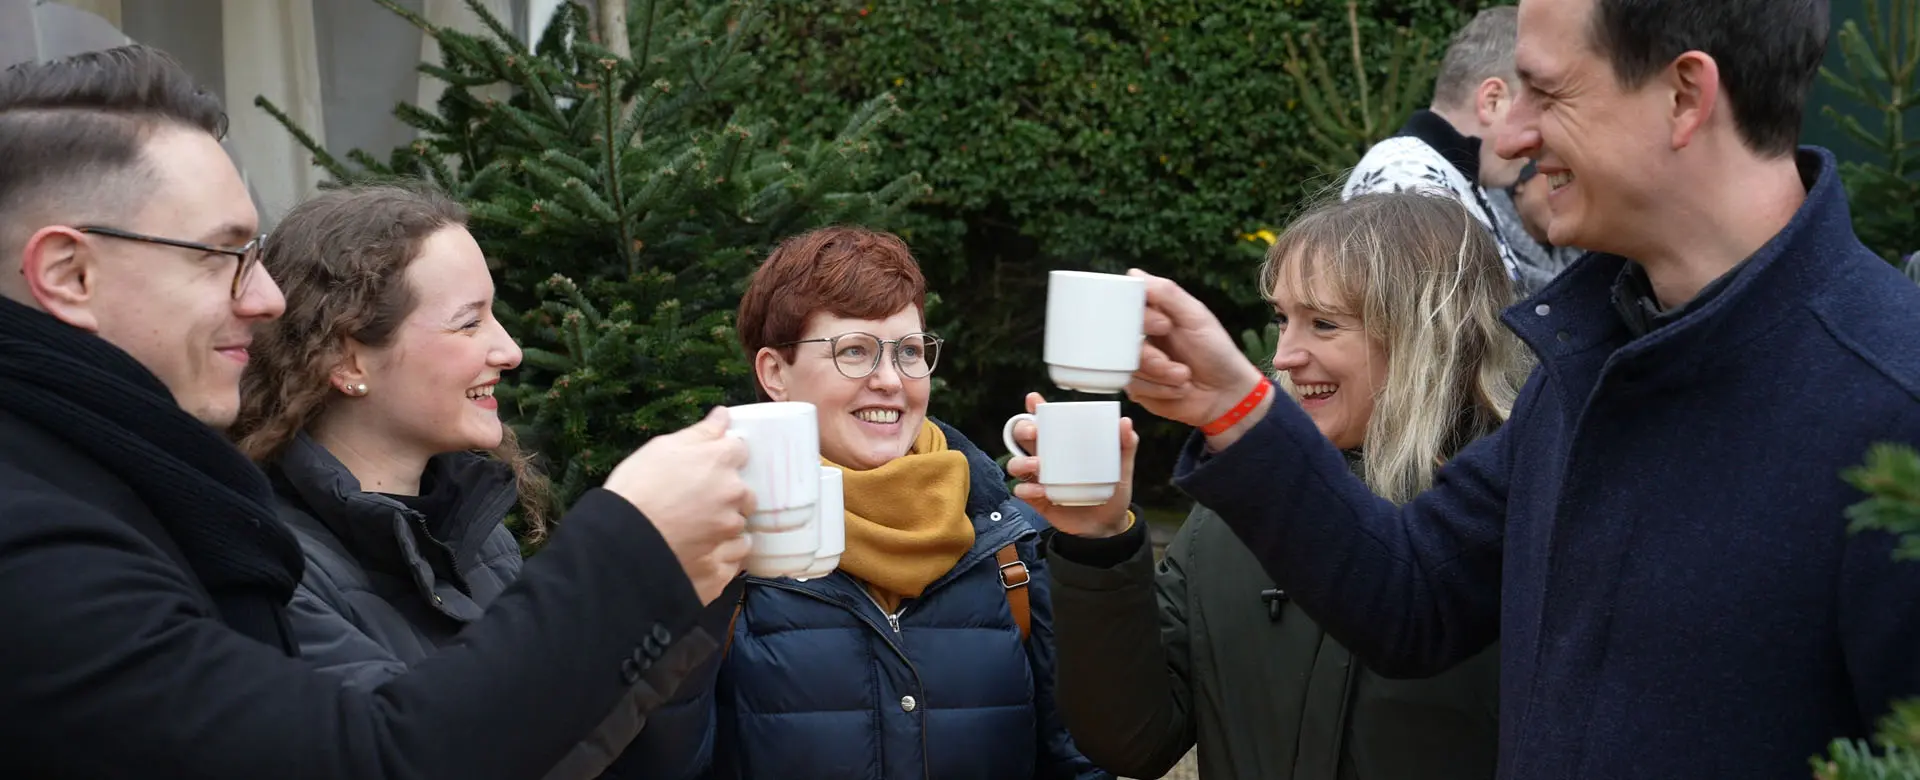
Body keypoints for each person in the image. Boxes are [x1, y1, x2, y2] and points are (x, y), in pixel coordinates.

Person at [1101, 0, 1920, 777]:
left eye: (1548, 90)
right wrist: (1234, 407)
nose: (1510, 132)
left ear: (1685, 96)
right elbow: (1412, 595)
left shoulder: (1890, 404)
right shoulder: (1590, 357)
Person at [0, 45, 753, 778]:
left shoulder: (133, 495)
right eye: (222, 255)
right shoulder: (36, 533)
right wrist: (631, 543)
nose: (265, 300)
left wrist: (684, 593)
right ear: (70, 273)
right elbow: (373, 754)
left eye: (257, 254)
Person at [230, 182, 727, 780]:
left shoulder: (478, 539)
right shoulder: (275, 574)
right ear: (347, 359)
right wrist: (624, 548)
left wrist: (686, 590)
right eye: (469, 323)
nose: (511, 350)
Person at [1032, 193, 1522, 780]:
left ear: (1428, 335)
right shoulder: (1238, 511)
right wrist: (1100, 544)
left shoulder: (1514, 519)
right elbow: (1131, 740)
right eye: (1282, 319)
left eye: (1323, 323)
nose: (1285, 355)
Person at [701, 226, 1107, 780]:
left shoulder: (1014, 544)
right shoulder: (715, 548)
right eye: (855, 351)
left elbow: (1077, 761)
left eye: (910, 352)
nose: (891, 380)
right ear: (775, 373)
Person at [1343, 6, 1532, 293]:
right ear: (1493, 100)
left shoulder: (1445, 174)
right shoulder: (1409, 181)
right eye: (1537, 104)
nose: (1536, 140)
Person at [1498, 160, 1584, 285]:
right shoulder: (1487, 252)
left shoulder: (1586, 252)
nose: (1567, 197)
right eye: (1558, 185)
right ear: (1519, 181)